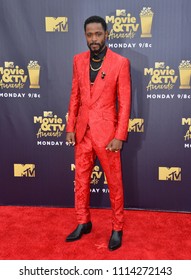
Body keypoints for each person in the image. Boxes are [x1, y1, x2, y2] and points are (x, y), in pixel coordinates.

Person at [65, 15, 131, 251]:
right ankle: (83, 222)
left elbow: (124, 103)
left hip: (107, 135)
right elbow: (75, 96)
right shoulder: (78, 60)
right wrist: (70, 126)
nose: (94, 38)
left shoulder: (120, 63)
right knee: (81, 180)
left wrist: (120, 136)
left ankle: (117, 227)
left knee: (114, 183)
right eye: (89, 34)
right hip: (82, 132)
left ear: (106, 34)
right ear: (85, 36)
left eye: (98, 34)